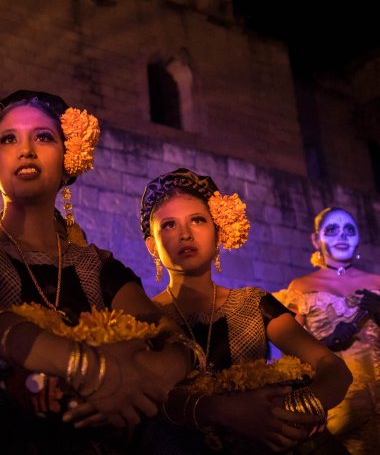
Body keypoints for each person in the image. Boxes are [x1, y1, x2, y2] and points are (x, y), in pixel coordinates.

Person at [0, 89, 198, 454]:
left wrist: (138, 378)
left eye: (43, 137)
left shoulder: (97, 266)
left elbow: (171, 339)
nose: (26, 149)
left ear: (67, 158)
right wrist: (90, 369)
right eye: (8, 138)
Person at [138, 168, 352, 454]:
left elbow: (333, 368)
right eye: (169, 225)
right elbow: (139, 395)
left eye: (198, 220)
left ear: (218, 234)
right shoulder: (141, 317)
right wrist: (220, 412)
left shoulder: (253, 303)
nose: (185, 234)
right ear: (152, 245)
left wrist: (286, 413)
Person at [277, 207, 380, 455]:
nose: (342, 236)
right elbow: (290, 360)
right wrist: (328, 341)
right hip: (336, 405)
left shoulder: (377, 282)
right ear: (316, 239)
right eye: (332, 230)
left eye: (349, 230)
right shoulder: (302, 287)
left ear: (358, 238)